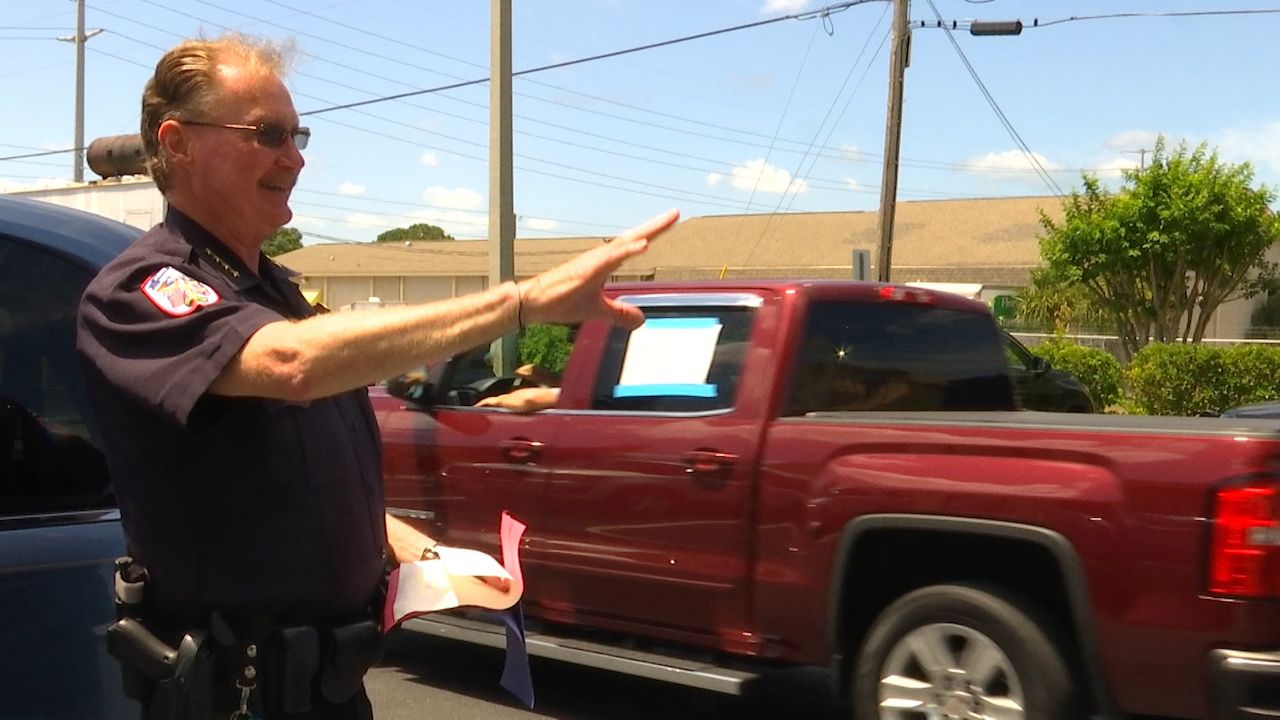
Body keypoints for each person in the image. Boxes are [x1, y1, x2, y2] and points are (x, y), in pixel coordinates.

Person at [75, 33, 678, 719]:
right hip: (234, 700)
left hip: (329, 691)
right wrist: (519, 303)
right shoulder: (143, 289)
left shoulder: (278, 297)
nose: (295, 158)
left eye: (296, 134)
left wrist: (411, 548)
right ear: (178, 142)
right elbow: (290, 364)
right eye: (267, 134)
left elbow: (285, 476)